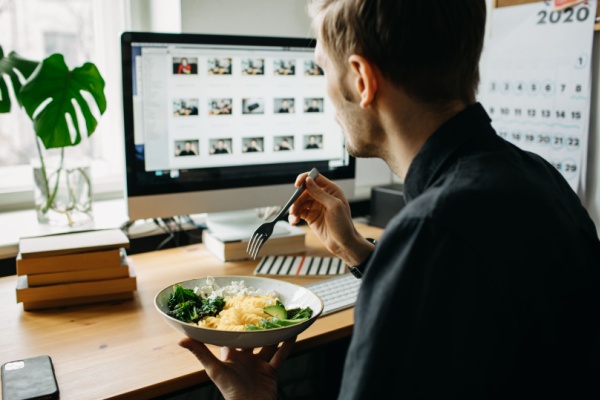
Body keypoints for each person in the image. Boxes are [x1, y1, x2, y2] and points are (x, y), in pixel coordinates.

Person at [179, 1, 600, 399]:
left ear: (362, 80)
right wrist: (358, 252)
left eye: (322, 69)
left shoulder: (432, 231)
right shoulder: (537, 175)